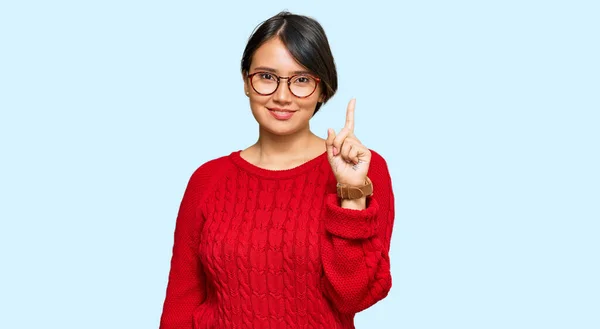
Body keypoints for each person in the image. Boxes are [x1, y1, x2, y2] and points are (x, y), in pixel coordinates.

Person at [159, 11, 395, 329]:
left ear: (323, 89)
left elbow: (354, 298)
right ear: (246, 81)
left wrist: (351, 196)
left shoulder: (363, 171)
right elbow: (181, 301)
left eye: (301, 80)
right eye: (267, 77)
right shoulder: (207, 180)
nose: (282, 97)